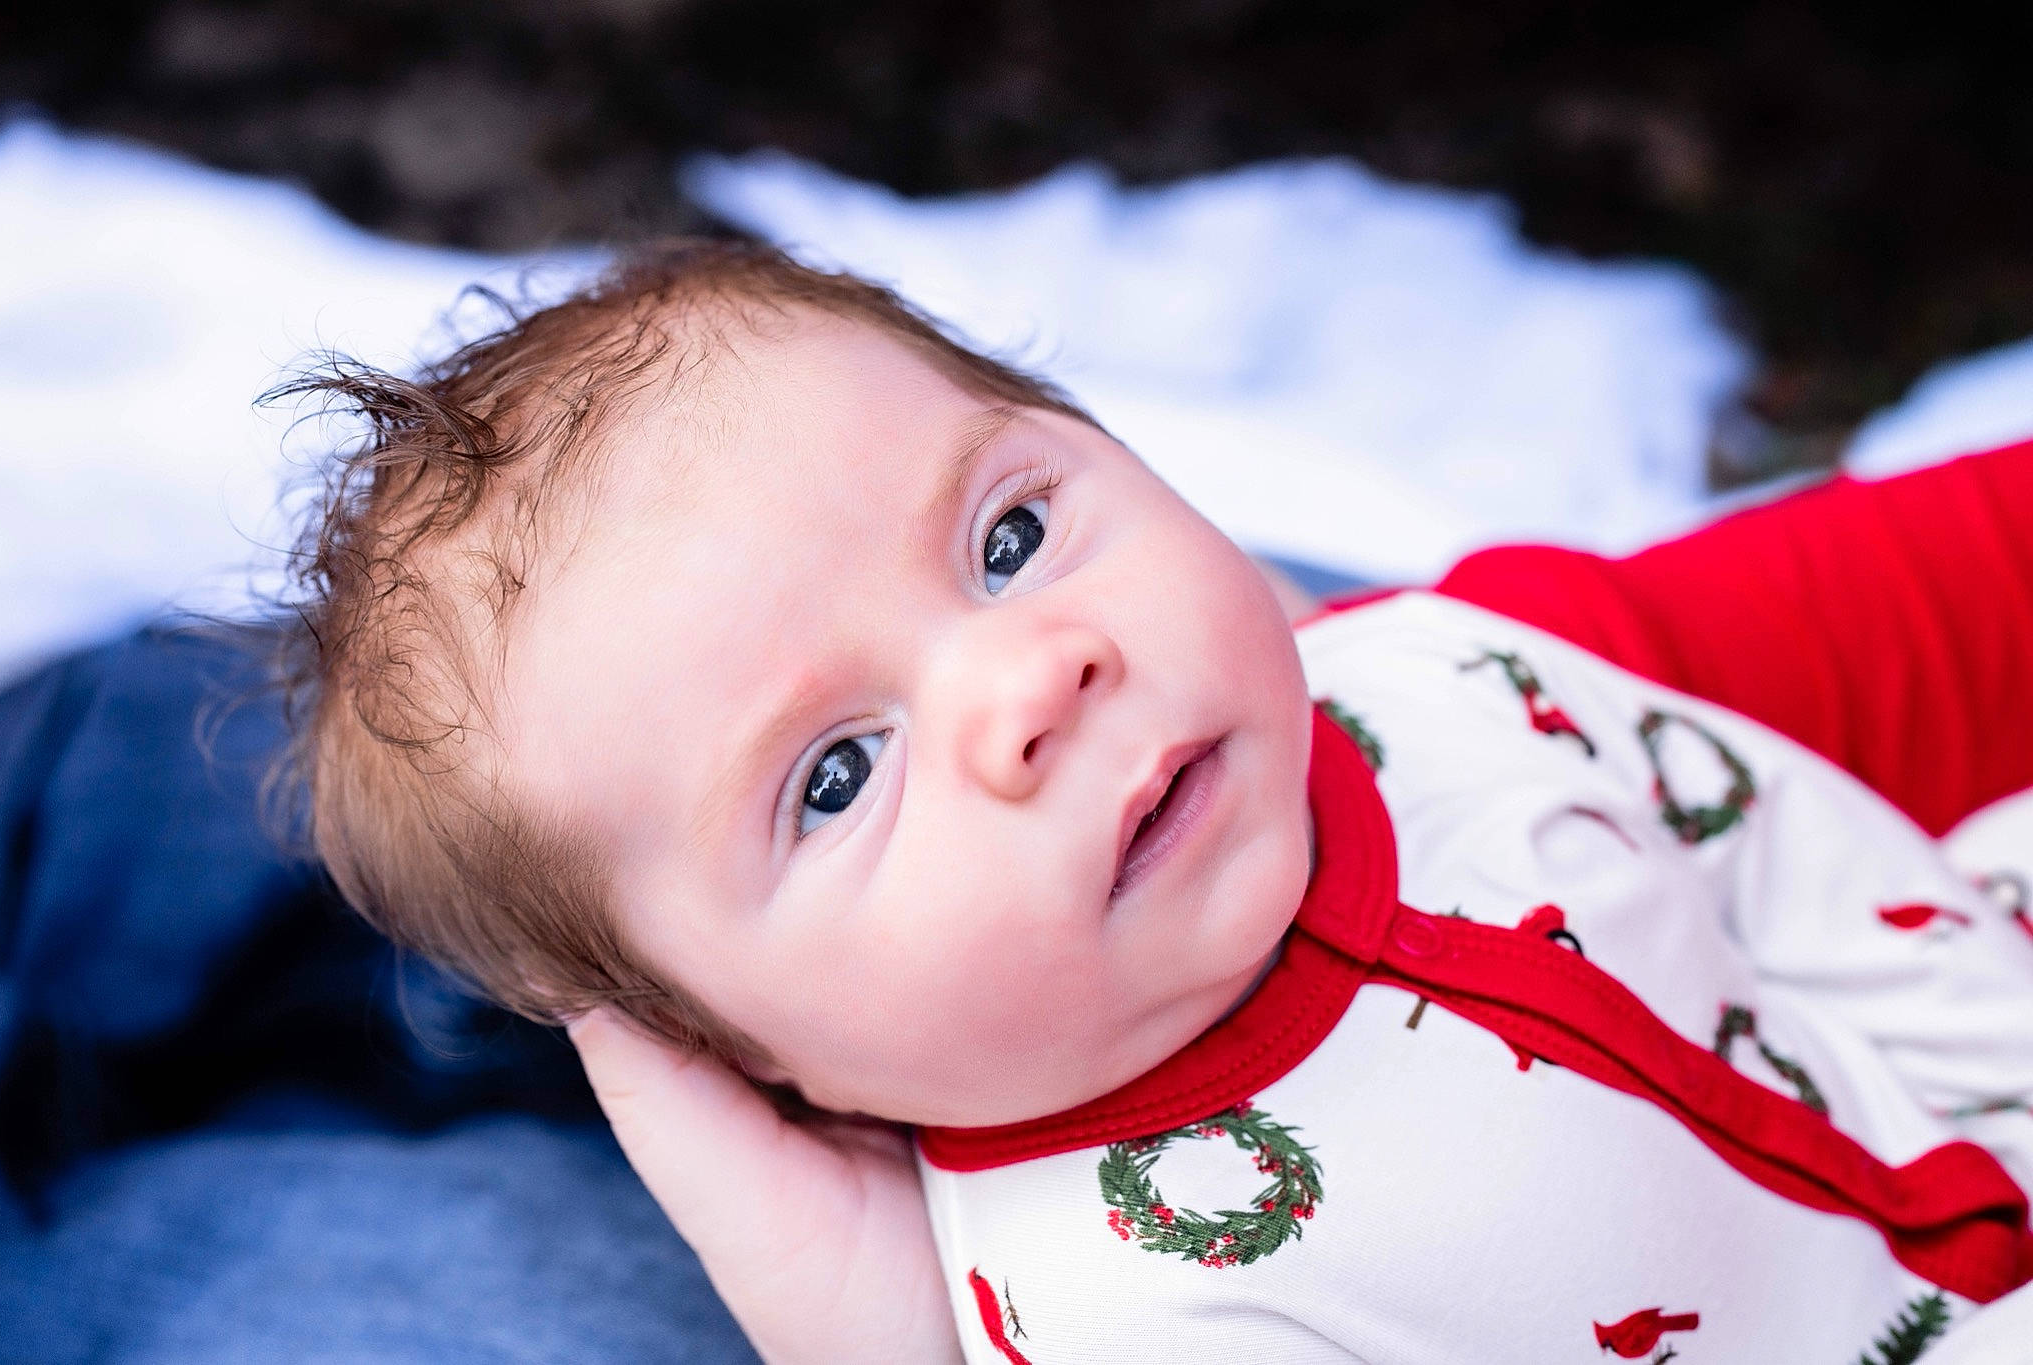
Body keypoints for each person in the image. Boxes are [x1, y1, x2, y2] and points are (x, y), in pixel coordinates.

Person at [281, 237, 2033, 1361]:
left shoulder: (1454, 676)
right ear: (742, 1061)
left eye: (1010, 536)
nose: (1031, 679)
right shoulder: (1152, 1308)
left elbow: (1914, 631)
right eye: (836, 774)